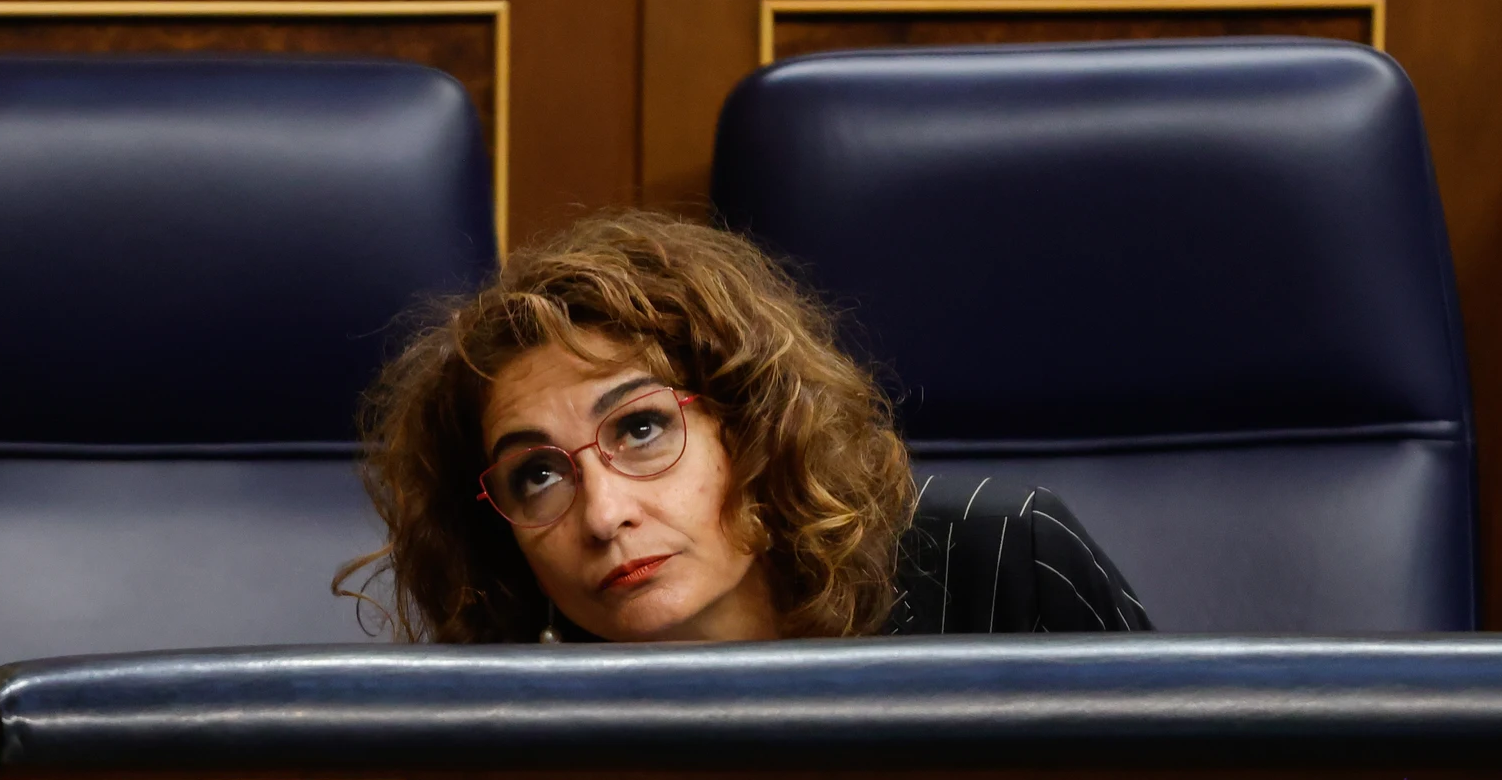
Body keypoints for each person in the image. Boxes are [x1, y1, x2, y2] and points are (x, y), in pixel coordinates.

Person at [336, 210, 1150, 643]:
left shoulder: (1003, 562)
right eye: (537, 474)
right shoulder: (506, 724)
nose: (604, 515)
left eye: (641, 428)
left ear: (752, 424)